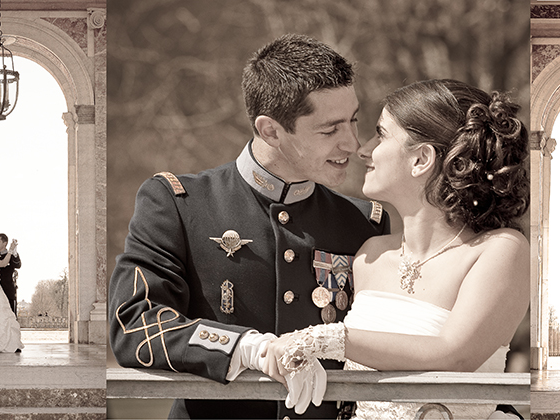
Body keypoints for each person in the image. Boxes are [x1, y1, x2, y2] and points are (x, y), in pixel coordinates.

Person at [108, 33, 389, 419]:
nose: (353, 143)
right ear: (270, 130)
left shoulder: (366, 223)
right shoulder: (176, 203)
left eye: (354, 121)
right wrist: (244, 348)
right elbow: (134, 325)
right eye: (330, 129)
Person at [261, 79, 530, 420]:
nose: (363, 150)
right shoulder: (369, 256)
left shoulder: (499, 250)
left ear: (421, 159)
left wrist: (325, 340)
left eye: (381, 134)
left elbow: (455, 353)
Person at [0, 233, 21, 317]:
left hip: (8, 292)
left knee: (11, 317)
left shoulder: (11, 256)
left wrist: (14, 252)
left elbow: (18, 265)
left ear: (5, 243)